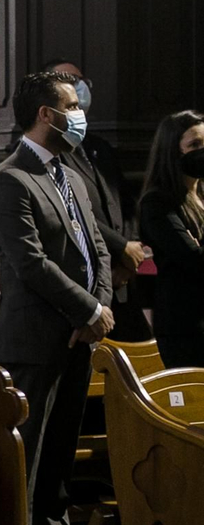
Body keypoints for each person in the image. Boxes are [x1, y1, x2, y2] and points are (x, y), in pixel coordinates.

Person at [0, 70, 113, 525]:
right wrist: (86, 309)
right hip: (35, 340)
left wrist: (100, 307)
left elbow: (97, 250)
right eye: (69, 105)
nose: (78, 113)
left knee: (60, 456)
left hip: (78, 337)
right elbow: (30, 263)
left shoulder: (73, 176)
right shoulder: (11, 180)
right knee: (28, 459)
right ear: (46, 114)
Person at [44, 59, 149, 341]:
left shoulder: (98, 147)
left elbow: (126, 204)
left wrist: (129, 257)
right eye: (67, 78)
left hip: (123, 280)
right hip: (88, 284)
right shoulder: (52, 151)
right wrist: (121, 247)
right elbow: (73, 212)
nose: (77, 85)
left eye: (80, 80)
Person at [138, 110, 204, 368]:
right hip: (185, 324)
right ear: (173, 151)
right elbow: (193, 259)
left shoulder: (200, 195)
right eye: (195, 145)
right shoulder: (158, 203)